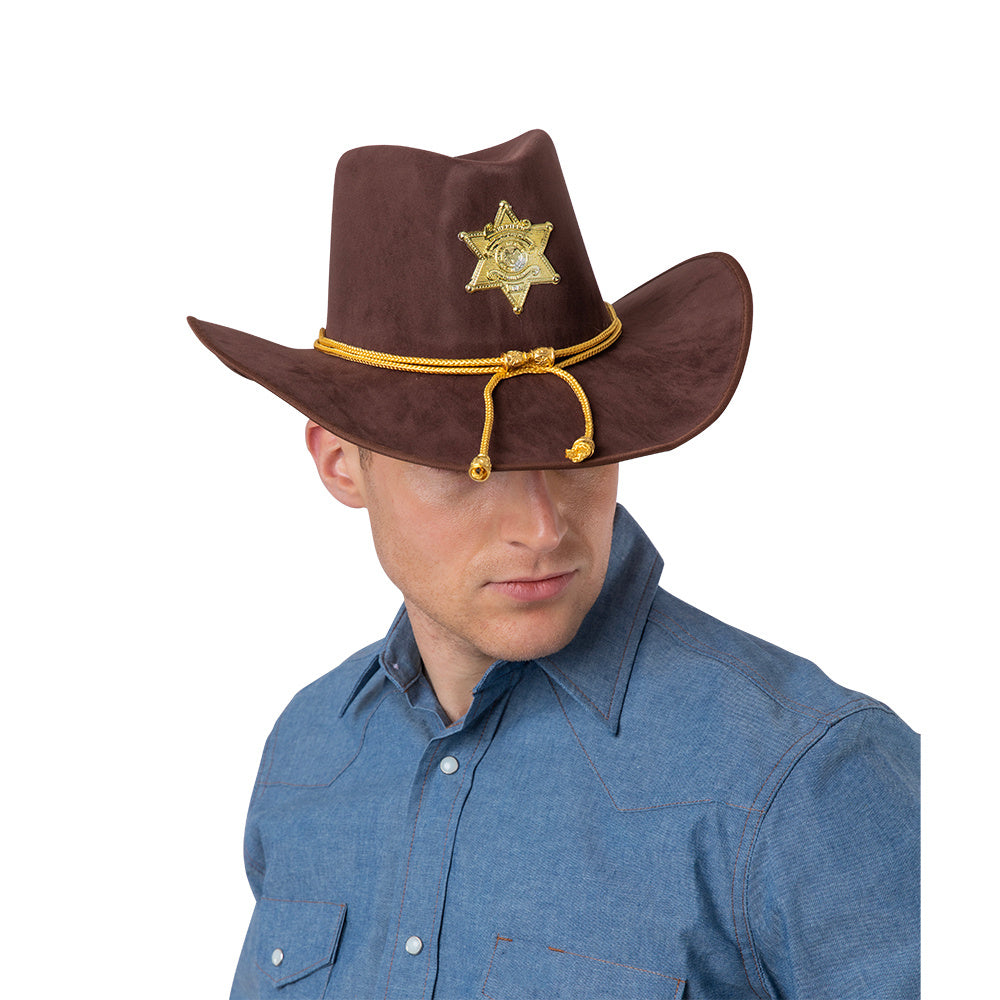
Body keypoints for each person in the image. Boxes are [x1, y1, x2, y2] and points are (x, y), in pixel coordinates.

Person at [189, 130, 919, 999]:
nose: (541, 527)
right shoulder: (310, 754)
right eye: (472, 466)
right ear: (341, 463)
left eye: (578, 453)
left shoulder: (807, 780)